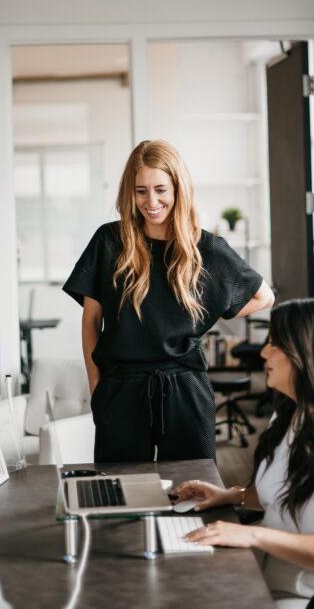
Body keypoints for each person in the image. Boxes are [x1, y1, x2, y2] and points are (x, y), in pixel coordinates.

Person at [173, 298, 314, 608]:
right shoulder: (291, 414)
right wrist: (229, 496)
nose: (264, 352)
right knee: (180, 578)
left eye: (274, 344)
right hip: (279, 573)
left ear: (304, 353)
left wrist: (254, 537)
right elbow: (281, 493)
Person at [63, 139, 274, 463]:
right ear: (129, 193)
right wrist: (96, 388)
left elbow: (264, 296)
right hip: (120, 390)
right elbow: (91, 321)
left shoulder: (206, 248)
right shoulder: (109, 241)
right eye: (141, 190)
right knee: (121, 496)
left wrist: (214, 313)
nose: (152, 201)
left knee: (193, 491)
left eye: (161, 189)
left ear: (178, 188)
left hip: (184, 388)